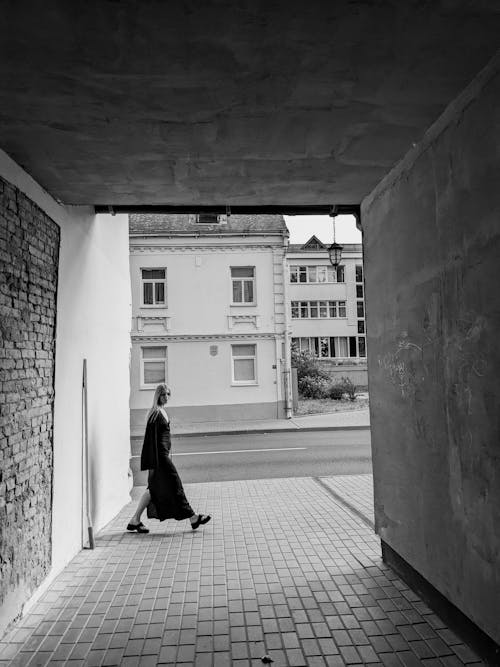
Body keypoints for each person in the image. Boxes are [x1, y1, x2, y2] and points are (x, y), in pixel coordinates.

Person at [127, 383, 211, 534]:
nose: (166, 397)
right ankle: (193, 517)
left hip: (163, 456)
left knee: (152, 490)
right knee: (175, 484)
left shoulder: (162, 412)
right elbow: (150, 441)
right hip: (160, 458)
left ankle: (135, 520)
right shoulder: (155, 414)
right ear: (157, 396)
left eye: (168, 394)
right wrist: (155, 460)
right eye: (163, 394)